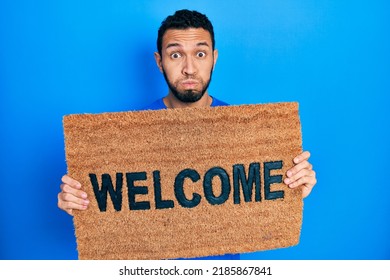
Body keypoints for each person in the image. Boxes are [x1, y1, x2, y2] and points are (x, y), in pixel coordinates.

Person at [58, 9, 317, 259]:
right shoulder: (126, 136)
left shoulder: (248, 131)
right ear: (159, 62)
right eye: (175, 55)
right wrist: (79, 203)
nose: (190, 68)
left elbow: (262, 198)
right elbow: (109, 208)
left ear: (214, 58)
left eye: (200, 54)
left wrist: (292, 188)